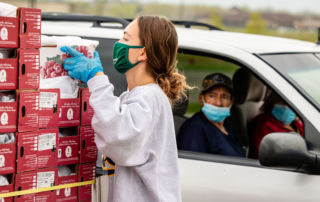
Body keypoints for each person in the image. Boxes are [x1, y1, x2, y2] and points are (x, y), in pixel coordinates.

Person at [60, 15, 190, 202]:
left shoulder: (149, 97)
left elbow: (116, 137)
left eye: (126, 39)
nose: (119, 44)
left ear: (142, 53)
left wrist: (96, 77)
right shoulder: (135, 96)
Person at [177, 73, 244, 157]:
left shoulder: (227, 125)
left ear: (231, 101)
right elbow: (194, 166)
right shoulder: (195, 129)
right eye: (212, 96)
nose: (218, 103)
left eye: (224, 97)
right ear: (201, 99)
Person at [249, 91, 304, 158]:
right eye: (283, 103)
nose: (288, 107)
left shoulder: (296, 124)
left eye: (291, 104)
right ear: (272, 104)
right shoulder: (265, 126)